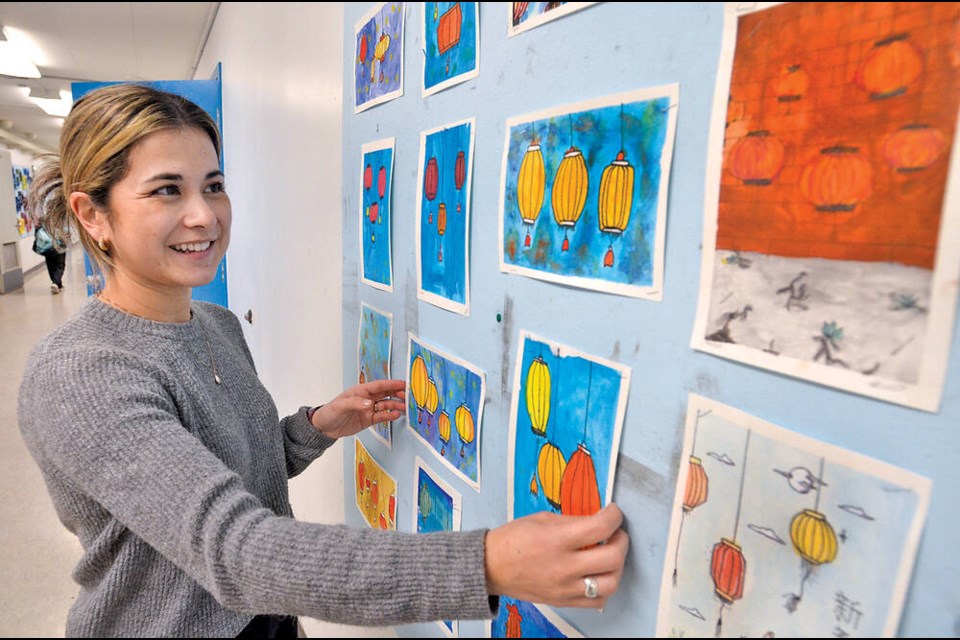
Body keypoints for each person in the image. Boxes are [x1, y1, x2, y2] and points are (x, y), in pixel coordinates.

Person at [18, 84, 629, 638]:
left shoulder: (216, 324)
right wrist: (487, 564)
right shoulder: (82, 374)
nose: (204, 215)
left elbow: (236, 472)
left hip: (269, 620)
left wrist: (314, 428)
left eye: (213, 185)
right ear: (93, 215)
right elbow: (235, 550)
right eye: (166, 190)